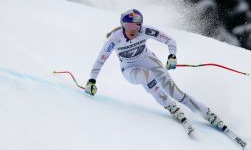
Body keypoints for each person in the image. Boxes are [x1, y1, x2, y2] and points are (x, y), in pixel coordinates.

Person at [85, 9, 228, 135]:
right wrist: (91, 81)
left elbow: (170, 41)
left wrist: (172, 56)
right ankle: (170, 106)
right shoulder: (114, 39)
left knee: (176, 92)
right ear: (123, 26)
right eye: (129, 26)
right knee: (146, 77)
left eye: (136, 25)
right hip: (130, 69)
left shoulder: (145, 31)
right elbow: (100, 61)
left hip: (150, 61)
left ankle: (208, 115)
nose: (133, 30)